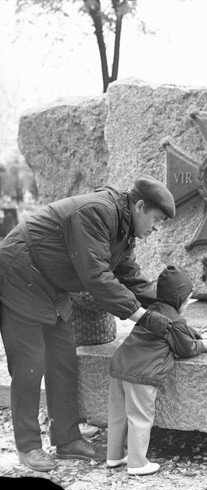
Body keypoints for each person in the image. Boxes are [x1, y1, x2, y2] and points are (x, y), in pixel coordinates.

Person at [0, 175, 176, 472]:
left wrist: (170, 305)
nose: (154, 230)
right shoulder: (97, 212)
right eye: (155, 220)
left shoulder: (123, 229)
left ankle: (67, 439)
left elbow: (129, 277)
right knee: (30, 362)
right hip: (19, 272)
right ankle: (28, 446)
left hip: (51, 284)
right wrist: (144, 317)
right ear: (140, 206)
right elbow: (97, 277)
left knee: (63, 356)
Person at [106, 264, 207, 476]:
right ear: (179, 299)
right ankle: (137, 463)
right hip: (142, 373)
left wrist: (194, 333)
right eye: (188, 299)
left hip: (120, 365)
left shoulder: (150, 311)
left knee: (118, 415)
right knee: (140, 417)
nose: (188, 304)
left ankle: (114, 456)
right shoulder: (174, 319)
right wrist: (203, 344)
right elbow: (186, 347)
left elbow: (182, 332)